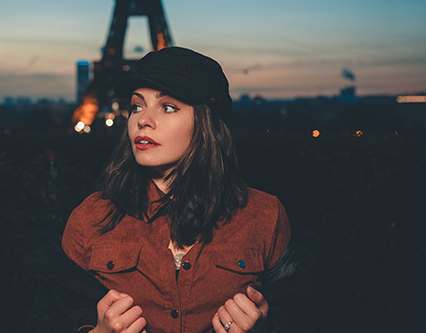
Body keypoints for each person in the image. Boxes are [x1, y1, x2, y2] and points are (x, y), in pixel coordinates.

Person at [26, 47, 329, 333]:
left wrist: (268, 324)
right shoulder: (90, 217)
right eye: (136, 106)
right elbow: (45, 317)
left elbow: (309, 314)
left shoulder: (265, 216)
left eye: (168, 107)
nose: (142, 120)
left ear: (205, 124)